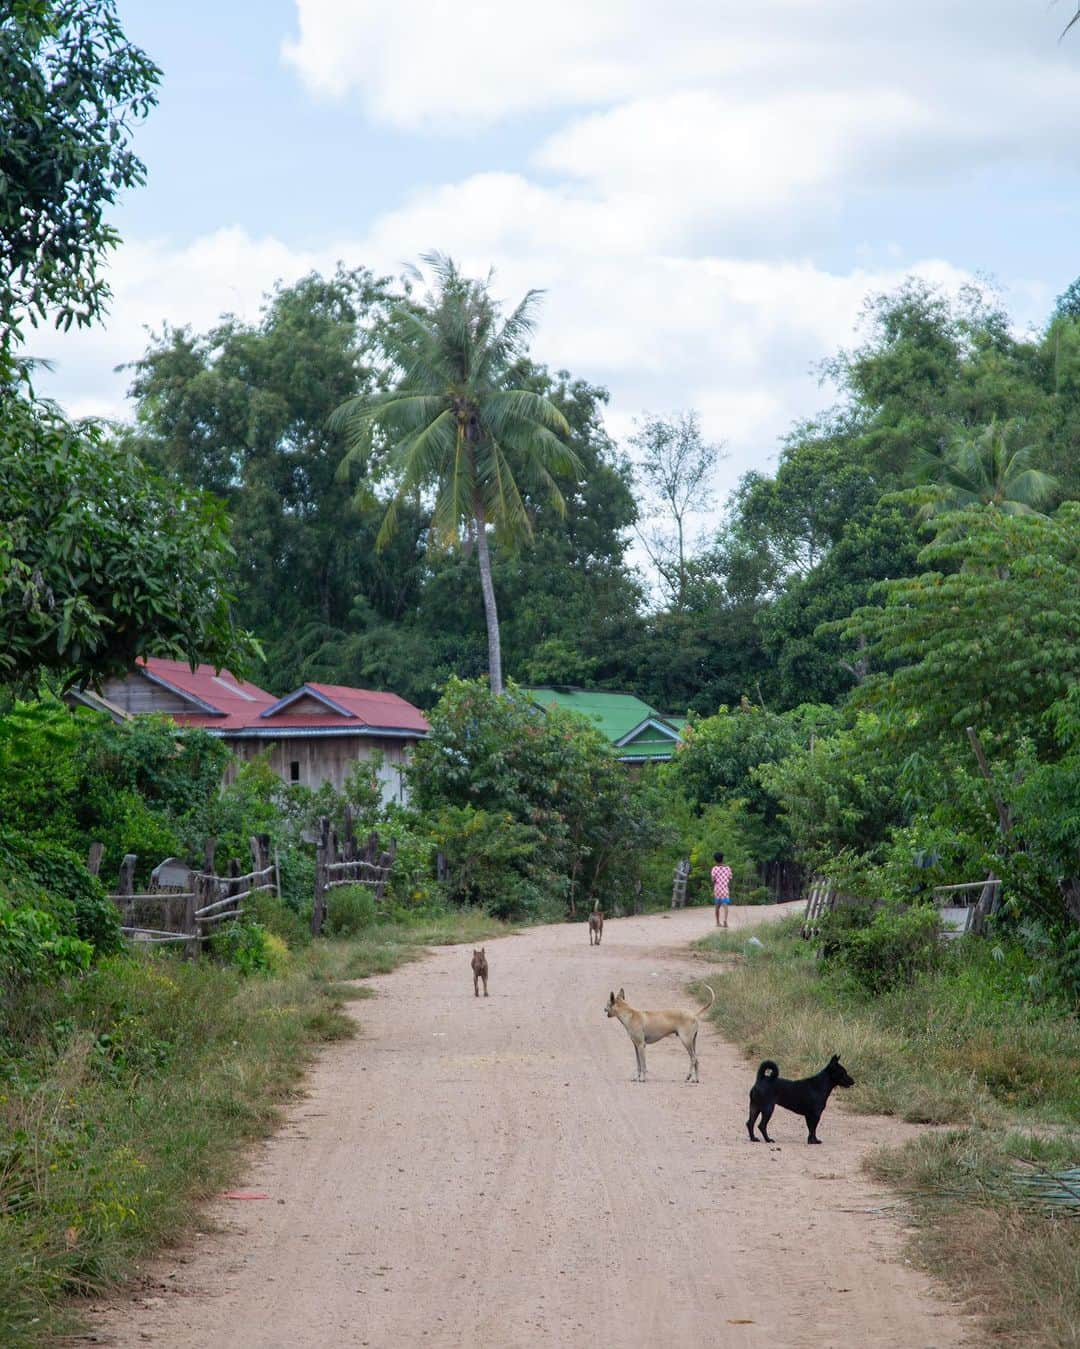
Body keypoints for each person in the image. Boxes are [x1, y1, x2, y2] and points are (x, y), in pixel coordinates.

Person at [711, 851, 733, 928]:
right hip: (725, 889)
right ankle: (725, 920)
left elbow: (713, 880)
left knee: (717, 906)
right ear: (722, 859)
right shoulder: (727, 868)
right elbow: (730, 878)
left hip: (717, 890)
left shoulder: (714, 869)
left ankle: (717, 922)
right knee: (725, 906)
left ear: (715, 860)